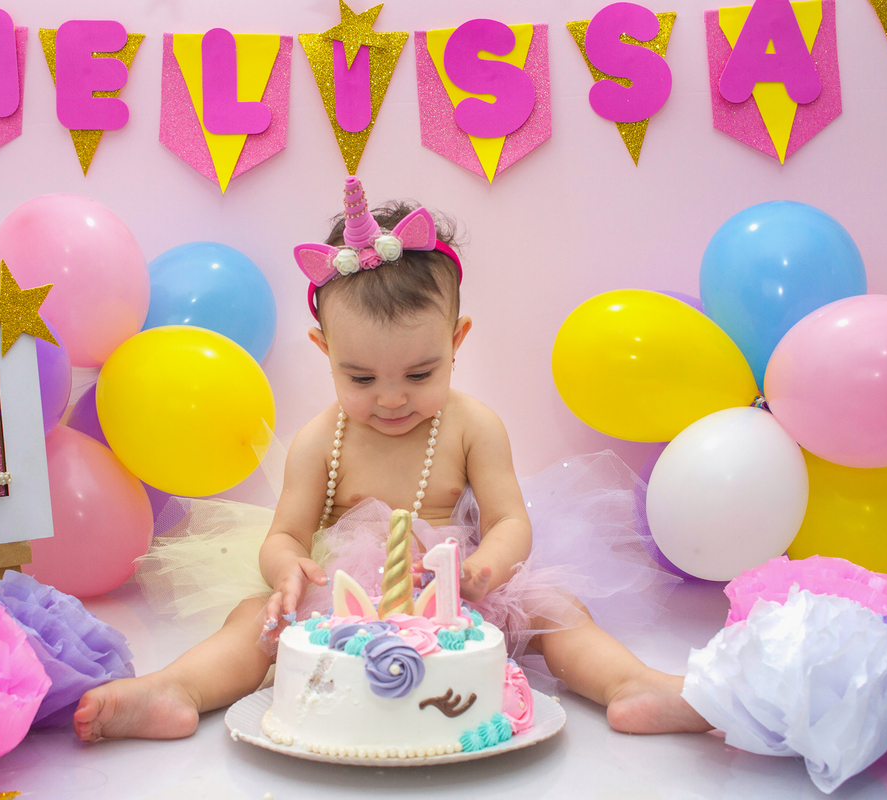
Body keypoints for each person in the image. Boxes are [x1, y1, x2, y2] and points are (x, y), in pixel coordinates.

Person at [73, 177, 710, 742]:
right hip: (346, 604)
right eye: (361, 377)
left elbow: (512, 522)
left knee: (557, 611)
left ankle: (632, 684)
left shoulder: (472, 426)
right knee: (254, 621)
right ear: (324, 351)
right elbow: (285, 534)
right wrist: (289, 567)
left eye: (419, 371)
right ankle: (177, 689)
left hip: (460, 592)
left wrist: (485, 571)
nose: (393, 397)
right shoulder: (322, 441)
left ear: (457, 341)